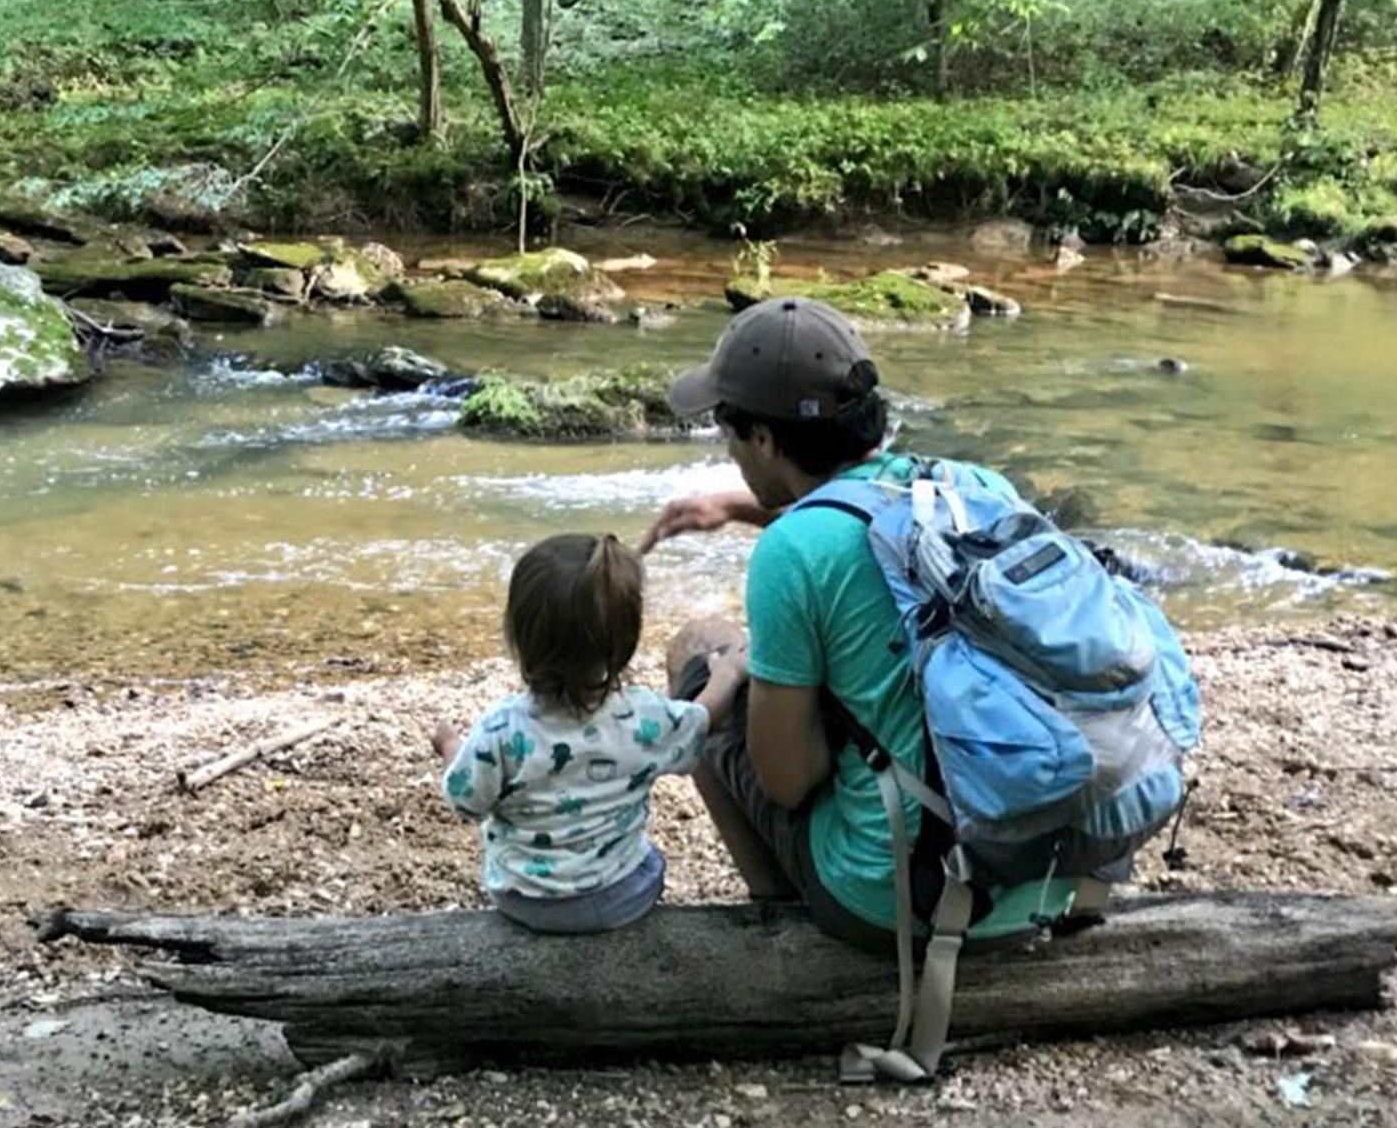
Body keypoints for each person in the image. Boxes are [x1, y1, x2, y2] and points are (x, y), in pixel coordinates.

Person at [641, 297, 1066, 951]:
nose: (732, 455)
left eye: (730, 434)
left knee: (701, 648)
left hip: (892, 901)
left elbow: (788, 779)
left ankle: (780, 914)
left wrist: (745, 674)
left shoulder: (792, 554)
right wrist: (740, 507)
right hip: (1042, 877)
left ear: (763, 438)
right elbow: (871, 524)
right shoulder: (972, 485)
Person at [431, 532, 744, 933]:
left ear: (519, 636)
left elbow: (466, 800)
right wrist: (727, 676)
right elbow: (701, 718)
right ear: (626, 643)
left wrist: (450, 746)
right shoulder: (644, 716)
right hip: (624, 897)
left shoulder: (501, 730)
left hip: (526, 901)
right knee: (652, 860)